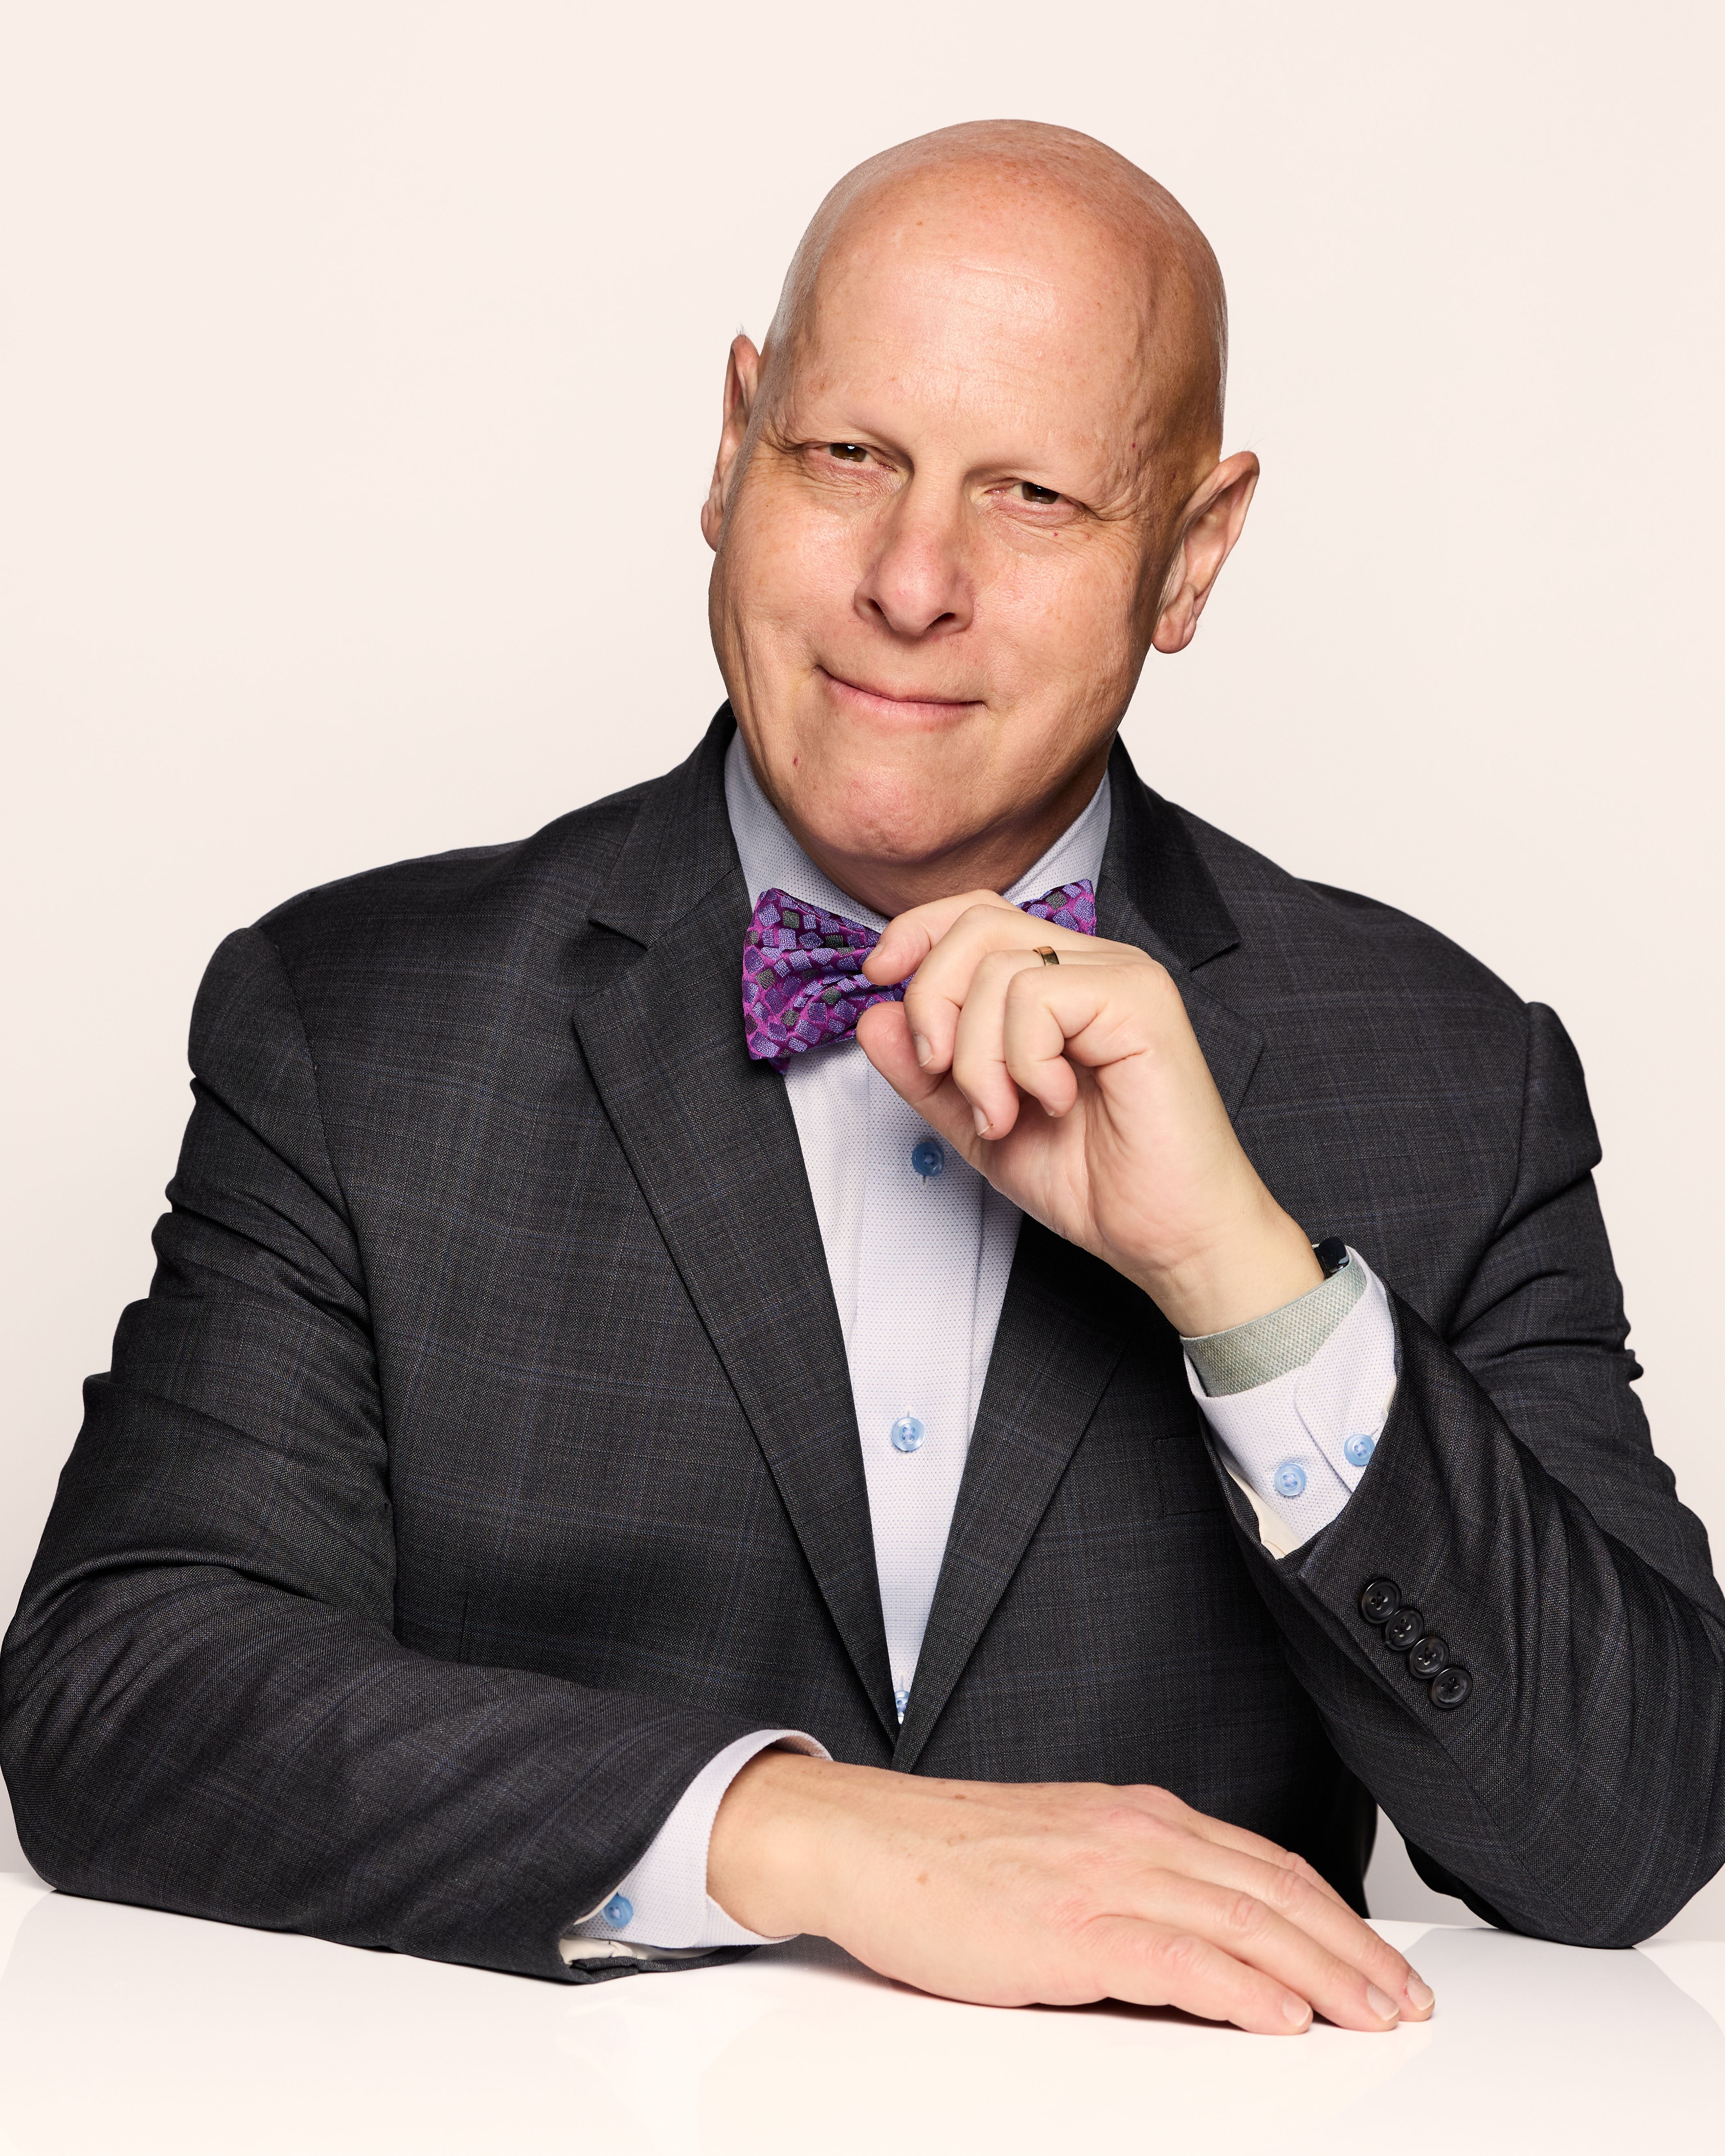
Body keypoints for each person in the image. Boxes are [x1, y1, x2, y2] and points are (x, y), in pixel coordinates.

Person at [4, 119, 1721, 2039]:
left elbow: (1621, 1837)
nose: (913, 579)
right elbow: (117, 1693)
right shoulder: (355, 1020)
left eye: (1037, 497)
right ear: (731, 447)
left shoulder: (1446, 1075)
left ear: (1192, 551)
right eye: (847, 456)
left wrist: (1238, 1279)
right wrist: (812, 1839)